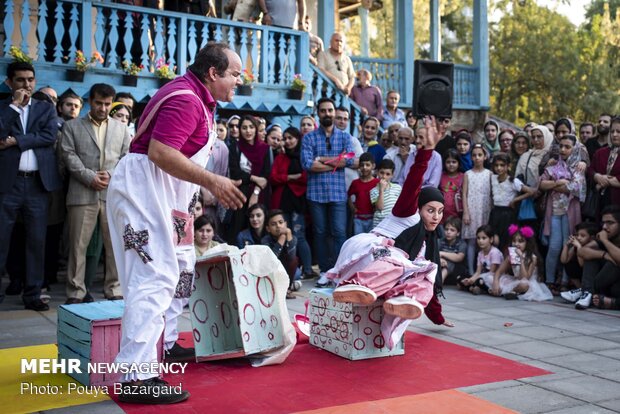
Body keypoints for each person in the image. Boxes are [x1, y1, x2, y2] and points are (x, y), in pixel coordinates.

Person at [106, 42, 246, 404]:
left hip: (171, 198)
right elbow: (160, 152)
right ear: (213, 73)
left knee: (183, 268)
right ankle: (135, 375)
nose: (238, 82)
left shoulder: (200, 98)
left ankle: (164, 346)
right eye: (234, 74)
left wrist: (192, 198)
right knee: (154, 278)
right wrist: (212, 181)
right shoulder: (186, 98)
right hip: (145, 192)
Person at [326, 116, 451, 348]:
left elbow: (433, 286)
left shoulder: (427, 242)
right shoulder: (407, 211)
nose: (436, 216)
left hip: (388, 269)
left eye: (440, 212)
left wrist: (438, 318)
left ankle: (402, 300)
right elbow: (414, 181)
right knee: (400, 261)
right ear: (419, 206)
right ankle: (357, 286)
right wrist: (427, 152)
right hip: (366, 254)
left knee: (427, 271)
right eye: (431, 210)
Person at [0, 61, 63, 311]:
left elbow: (49, 136)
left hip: (37, 184)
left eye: (30, 79)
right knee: (2, 240)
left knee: (37, 241)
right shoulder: (4, 108)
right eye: (20, 80)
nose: (26, 85)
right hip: (8, 184)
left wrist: (16, 141)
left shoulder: (45, 108)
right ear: (9, 83)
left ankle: (33, 293)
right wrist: (14, 107)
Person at [61, 83, 131, 304]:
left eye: (107, 104)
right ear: (89, 101)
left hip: (112, 193)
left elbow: (127, 158)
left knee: (115, 245)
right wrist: (88, 176)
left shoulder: (121, 129)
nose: (102, 108)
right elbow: (67, 155)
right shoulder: (72, 126)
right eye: (99, 103)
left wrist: (110, 174)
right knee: (77, 246)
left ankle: (114, 287)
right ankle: (76, 291)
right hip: (82, 192)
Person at [301, 97, 354, 286]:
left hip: (338, 193)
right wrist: (334, 164)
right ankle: (324, 270)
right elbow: (308, 164)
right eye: (323, 111)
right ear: (318, 113)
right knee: (320, 233)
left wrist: (322, 159)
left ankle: (340, 271)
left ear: (334, 112)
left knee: (340, 232)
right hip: (316, 194)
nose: (327, 114)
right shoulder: (309, 137)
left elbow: (347, 160)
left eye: (330, 110)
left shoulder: (345, 137)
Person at [539, 134, 585, 294]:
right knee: (554, 247)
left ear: (575, 149)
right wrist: (559, 183)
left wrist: (556, 186)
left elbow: (576, 188)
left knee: (568, 245)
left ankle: (565, 281)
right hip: (554, 213)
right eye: (561, 146)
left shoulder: (578, 167)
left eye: (567, 147)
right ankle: (550, 281)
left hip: (569, 213)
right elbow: (541, 183)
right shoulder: (552, 165)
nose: (563, 149)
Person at [269, 126, 314, 279]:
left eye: (291, 138)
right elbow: (274, 177)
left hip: (297, 202)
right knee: (280, 234)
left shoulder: (303, 156)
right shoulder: (281, 157)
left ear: (298, 139)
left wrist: (287, 178)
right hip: (281, 202)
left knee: (298, 235)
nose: (287, 141)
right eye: (285, 138)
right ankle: (286, 270)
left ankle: (307, 268)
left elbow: (305, 177)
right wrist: (290, 177)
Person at [225, 115, 271, 244]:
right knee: (237, 230)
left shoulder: (265, 148)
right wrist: (254, 178)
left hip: (259, 194)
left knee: (259, 230)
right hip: (240, 195)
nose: (248, 131)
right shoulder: (235, 147)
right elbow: (235, 173)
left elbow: (266, 175)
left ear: (256, 129)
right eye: (244, 128)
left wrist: (256, 192)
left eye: (251, 127)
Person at [571, 205, 620, 310]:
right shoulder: (605, 236)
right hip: (607, 285)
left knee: (615, 262)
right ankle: (587, 292)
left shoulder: (605, 238)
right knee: (592, 255)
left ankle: (586, 291)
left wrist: (605, 241)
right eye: (603, 223)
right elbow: (582, 251)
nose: (604, 227)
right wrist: (604, 255)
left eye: (610, 223)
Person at [485, 224, 552, 301]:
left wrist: (521, 259)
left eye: (520, 241)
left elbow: (524, 278)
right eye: (514, 241)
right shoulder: (511, 255)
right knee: (490, 278)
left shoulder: (532, 258)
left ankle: (506, 291)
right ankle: (506, 291)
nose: (516, 244)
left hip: (528, 282)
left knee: (524, 285)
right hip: (515, 280)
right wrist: (495, 282)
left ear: (527, 243)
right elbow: (498, 272)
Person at [489, 153, 534, 253]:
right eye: (496, 165)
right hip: (495, 213)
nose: (499, 168)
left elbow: (530, 191)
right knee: (495, 241)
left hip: (508, 214)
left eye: (502, 165)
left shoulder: (513, 181)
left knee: (507, 241)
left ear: (508, 166)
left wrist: (515, 200)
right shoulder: (492, 178)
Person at [462, 144, 493, 275]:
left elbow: (492, 194)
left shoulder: (490, 174)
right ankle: (470, 271)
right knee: (472, 241)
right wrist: (466, 212)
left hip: (485, 210)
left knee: (485, 241)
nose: (477, 158)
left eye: (480, 155)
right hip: (472, 210)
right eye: (474, 155)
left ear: (485, 156)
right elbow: (464, 193)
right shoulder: (467, 174)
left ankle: (484, 271)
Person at [262, 209, 298, 299]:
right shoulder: (265, 240)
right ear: (268, 228)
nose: (278, 226)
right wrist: (281, 240)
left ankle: (287, 288)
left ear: (285, 224)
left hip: (287, 270)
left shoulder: (293, 238)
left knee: (295, 261)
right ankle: (291, 284)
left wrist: (288, 237)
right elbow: (271, 260)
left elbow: (291, 257)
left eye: (280, 222)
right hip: (272, 271)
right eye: (273, 224)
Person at [588, 116, 620, 216]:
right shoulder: (600, 153)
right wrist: (596, 176)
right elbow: (590, 169)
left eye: (619, 132)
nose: (614, 135)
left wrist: (605, 182)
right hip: (601, 202)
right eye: (612, 131)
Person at [457, 225, 503, 295]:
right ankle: (475, 287)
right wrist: (470, 279)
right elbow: (478, 272)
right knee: (460, 278)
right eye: (478, 238)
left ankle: (479, 288)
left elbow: (491, 272)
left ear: (491, 239)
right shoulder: (480, 253)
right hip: (482, 276)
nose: (480, 241)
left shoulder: (495, 252)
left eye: (484, 238)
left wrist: (473, 280)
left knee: (480, 280)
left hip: (493, 278)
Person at [560, 222, 598, 296]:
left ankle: (586, 291)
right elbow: (564, 260)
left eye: (583, 236)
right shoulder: (577, 246)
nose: (579, 238)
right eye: (577, 235)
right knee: (569, 265)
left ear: (591, 237)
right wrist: (566, 245)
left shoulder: (593, 245)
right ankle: (580, 289)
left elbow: (582, 264)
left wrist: (579, 247)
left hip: (592, 275)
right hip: (580, 274)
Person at [348, 152, 379, 235]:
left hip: (373, 218)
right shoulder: (355, 183)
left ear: (373, 166)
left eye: (367, 165)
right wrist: (352, 208)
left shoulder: (377, 183)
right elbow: (348, 196)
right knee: (358, 241)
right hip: (358, 219)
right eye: (362, 165)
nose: (364, 168)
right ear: (359, 166)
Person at [370, 158, 401, 228]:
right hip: (379, 225)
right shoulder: (373, 191)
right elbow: (380, 207)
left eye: (388, 174)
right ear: (377, 172)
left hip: (393, 224)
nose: (384, 176)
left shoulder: (398, 188)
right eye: (382, 173)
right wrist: (381, 190)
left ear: (392, 175)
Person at [439, 216, 467, 284]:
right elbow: (434, 254)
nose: (448, 232)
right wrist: (440, 259)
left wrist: (442, 253)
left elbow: (459, 257)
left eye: (452, 230)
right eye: (446, 229)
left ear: (458, 233)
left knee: (450, 262)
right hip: (441, 267)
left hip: (456, 271)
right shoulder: (440, 241)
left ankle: (439, 283)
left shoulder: (462, 243)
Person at [439, 149, 464, 223]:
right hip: (442, 212)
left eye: (454, 162)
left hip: (458, 213)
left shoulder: (463, 176)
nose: (451, 164)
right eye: (448, 162)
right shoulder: (440, 175)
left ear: (459, 163)